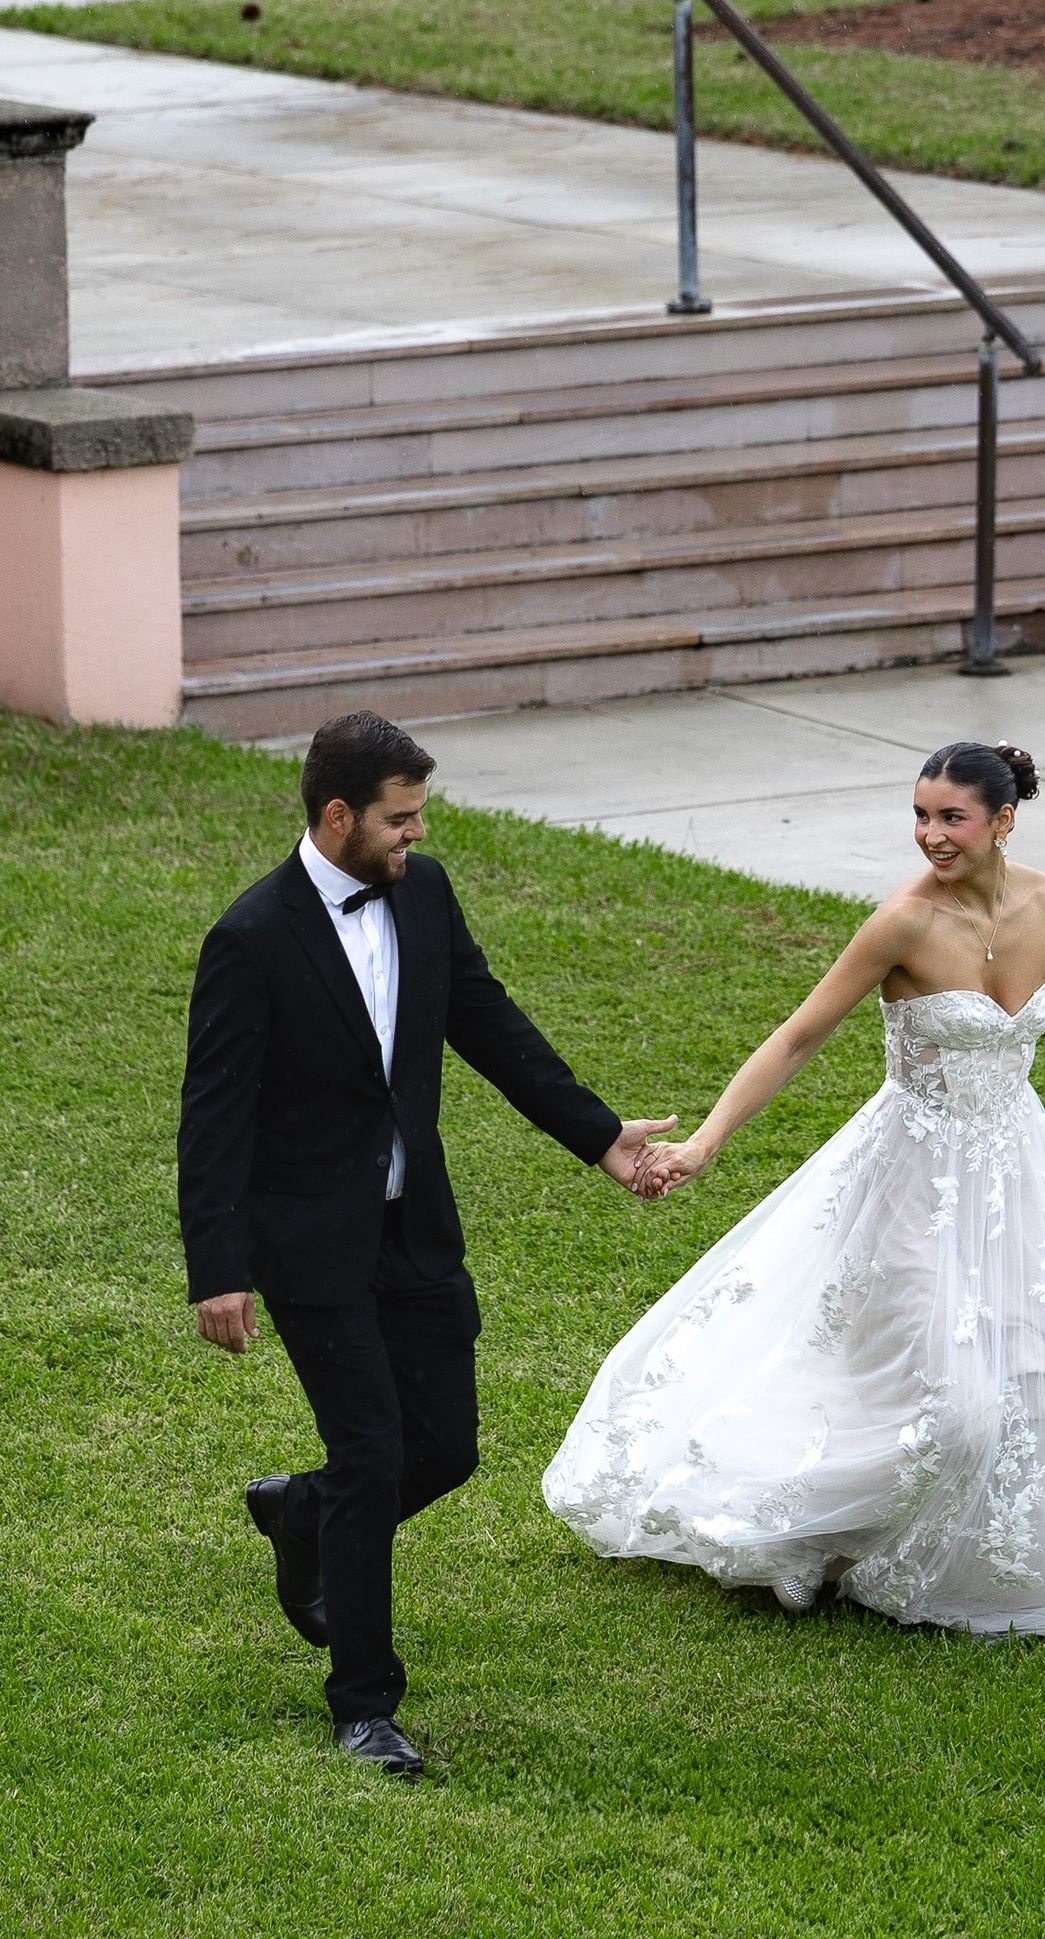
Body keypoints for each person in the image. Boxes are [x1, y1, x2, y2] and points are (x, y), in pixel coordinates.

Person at [544, 740, 1045, 1638]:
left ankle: (930, 1540)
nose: (931, 834)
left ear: (1003, 819)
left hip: (1015, 1172)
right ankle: (813, 1531)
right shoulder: (902, 922)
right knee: (950, 1402)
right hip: (910, 1179)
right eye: (921, 815)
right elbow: (797, 1036)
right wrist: (705, 1141)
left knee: (1039, 1375)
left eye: (951, 817)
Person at [177, 709, 674, 1779]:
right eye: (399, 818)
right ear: (338, 815)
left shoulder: (426, 892)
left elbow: (490, 1024)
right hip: (310, 1244)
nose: (416, 833)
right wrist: (217, 1268)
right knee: (370, 1454)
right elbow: (212, 1117)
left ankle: (301, 1511)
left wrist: (600, 1137)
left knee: (445, 1448)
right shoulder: (251, 937)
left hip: (414, 1227)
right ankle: (364, 1705)